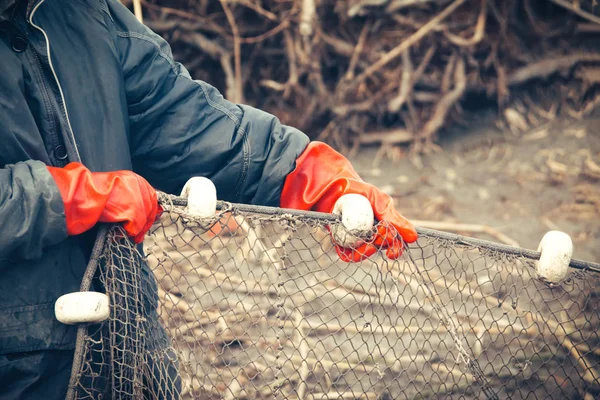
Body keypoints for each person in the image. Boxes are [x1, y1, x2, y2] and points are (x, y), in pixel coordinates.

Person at [0, 0, 417, 398]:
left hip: (127, 349)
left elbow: (179, 117)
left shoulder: (83, 11)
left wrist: (305, 173)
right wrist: (63, 198)